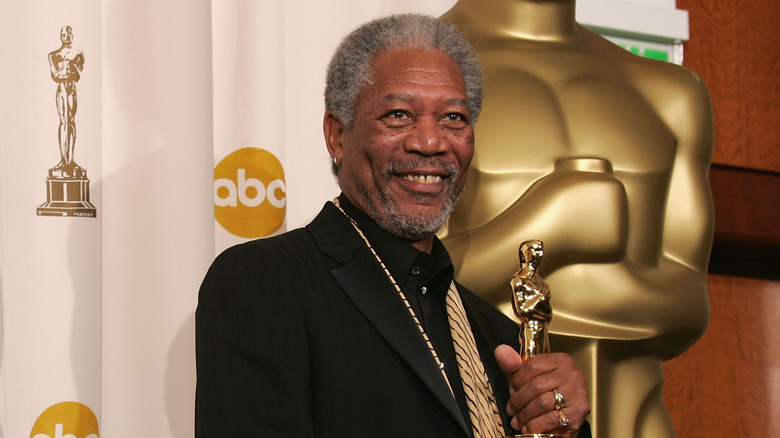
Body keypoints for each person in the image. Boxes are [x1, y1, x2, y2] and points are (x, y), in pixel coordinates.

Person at [196, 14, 590, 438]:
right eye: (399, 115)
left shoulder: (498, 338)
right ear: (337, 136)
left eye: (453, 118)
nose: (431, 141)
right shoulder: (264, 283)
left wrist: (563, 421)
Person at [439, 1, 714, 436]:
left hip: (638, 422)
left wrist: (580, 277)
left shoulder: (671, 92)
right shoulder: (426, 77)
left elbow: (690, 303)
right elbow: (399, 282)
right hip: (481, 418)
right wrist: (552, 221)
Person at [49, 25, 84, 172]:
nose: (67, 36)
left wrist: (70, 67)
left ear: (72, 36)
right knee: (63, 121)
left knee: (71, 122)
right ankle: (64, 159)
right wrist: (65, 69)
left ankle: (70, 159)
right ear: (61, 35)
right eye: (64, 34)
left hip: (72, 89)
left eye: (69, 34)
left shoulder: (78, 53)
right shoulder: (54, 55)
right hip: (62, 88)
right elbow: (55, 75)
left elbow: (78, 75)